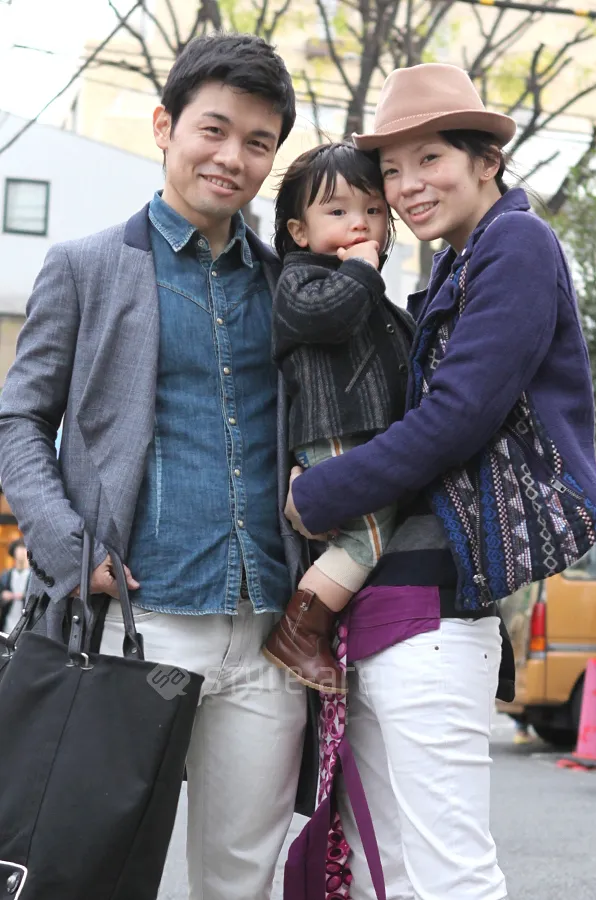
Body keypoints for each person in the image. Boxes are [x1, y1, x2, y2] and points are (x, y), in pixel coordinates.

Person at [0, 33, 318, 900]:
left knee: (240, 880)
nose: (232, 157)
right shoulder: (86, 267)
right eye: (213, 129)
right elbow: (19, 420)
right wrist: (68, 548)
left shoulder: (287, 286)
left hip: (266, 630)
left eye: (258, 142)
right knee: (86, 872)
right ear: (164, 126)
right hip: (134, 619)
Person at [284, 63, 596, 899]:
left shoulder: (517, 243)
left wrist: (320, 494)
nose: (407, 186)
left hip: (434, 610)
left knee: (447, 874)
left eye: (430, 159)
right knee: (386, 867)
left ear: (486, 160)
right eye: (392, 169)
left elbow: (459, 414)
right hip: (392, 602)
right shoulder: (454, 267)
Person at [262, 142, 413, 694]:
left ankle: (324, 626)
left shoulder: (364, 287)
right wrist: (362, 270)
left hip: (363, 437)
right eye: (338, 211)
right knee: (365, 539)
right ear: (300, 232)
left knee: (365, 533)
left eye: (373, 210)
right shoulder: (301, 281)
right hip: (336, 432)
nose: (360, 223)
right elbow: (327, 316)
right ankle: (300, 632)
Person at [0, 539, 30, 634]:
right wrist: (3, 595)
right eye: (19, 548)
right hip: (7, 623)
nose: (22, 551)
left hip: (26, 625)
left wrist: (23, 596)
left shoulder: (33, 576)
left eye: (24, 548)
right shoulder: (6, 575)